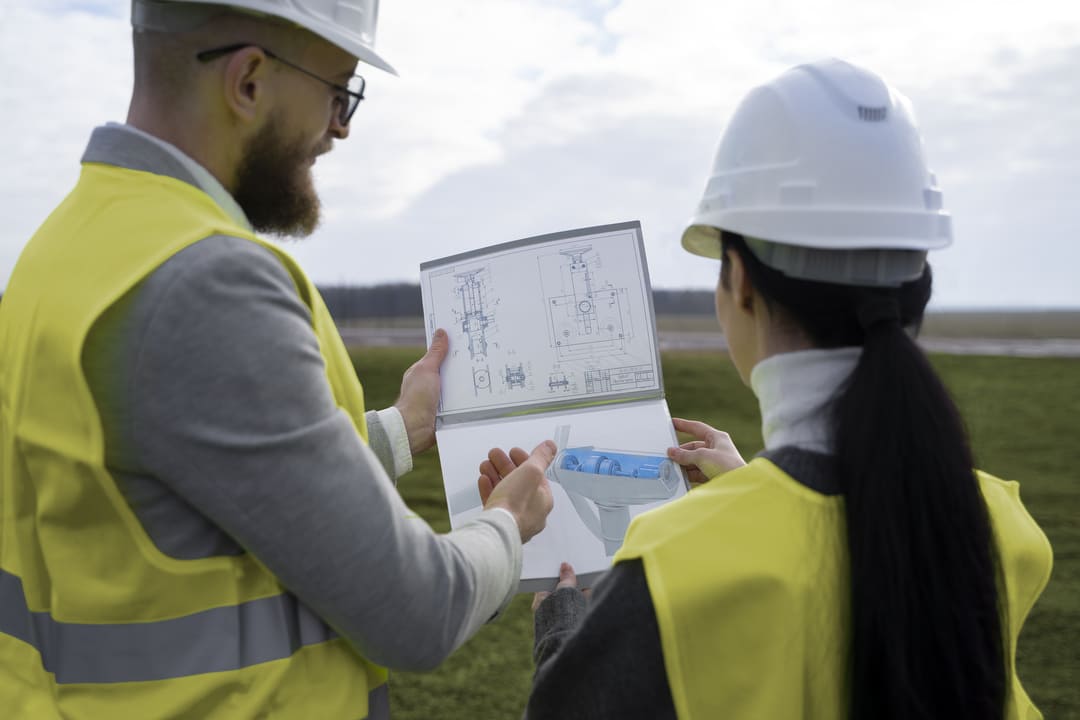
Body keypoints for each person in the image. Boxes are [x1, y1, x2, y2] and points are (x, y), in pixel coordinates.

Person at [0, 1, 555, 717]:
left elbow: (205, 469)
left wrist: (399, 429)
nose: (341, 127)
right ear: (250, 81)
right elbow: (417, 609)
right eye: (338, 90)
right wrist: (507, 524)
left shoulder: (68, 248)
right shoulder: (205, 282)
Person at [479, 59, 1054, 719]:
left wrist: (561, 620)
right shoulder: (1000, 526)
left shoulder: (674, 567)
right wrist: (754, 489)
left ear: (740, 281)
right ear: (916, 285)